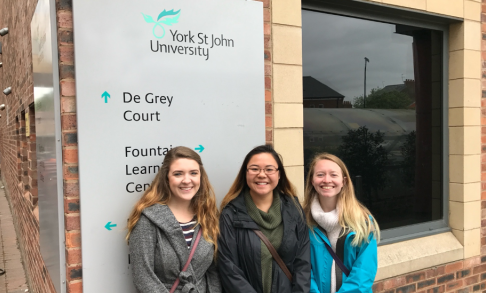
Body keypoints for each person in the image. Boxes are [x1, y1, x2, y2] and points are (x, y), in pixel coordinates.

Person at [127, 146, 221, 293]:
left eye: (193, 173)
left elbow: (213, 271)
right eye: (178, 174)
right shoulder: (148, 219)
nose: (187, 180)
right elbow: (143, 277)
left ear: (201, 177)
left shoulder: (208, 216)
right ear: (166, 178)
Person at [218, 145, 311, 293]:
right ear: (245, 174)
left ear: (279, 174)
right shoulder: (230, 214)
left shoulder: (294, 209)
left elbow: (303, 263)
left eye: (269, 169)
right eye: (254, 169)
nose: (262, 175)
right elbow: (229, 269)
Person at [303, 153, 380, 293]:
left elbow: (364, 272)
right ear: (312, 181)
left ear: (344, 181)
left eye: (333, 175)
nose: (327, 180)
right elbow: (303, 269)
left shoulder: (362, 221)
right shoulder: (302, 222)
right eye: (320, 174)